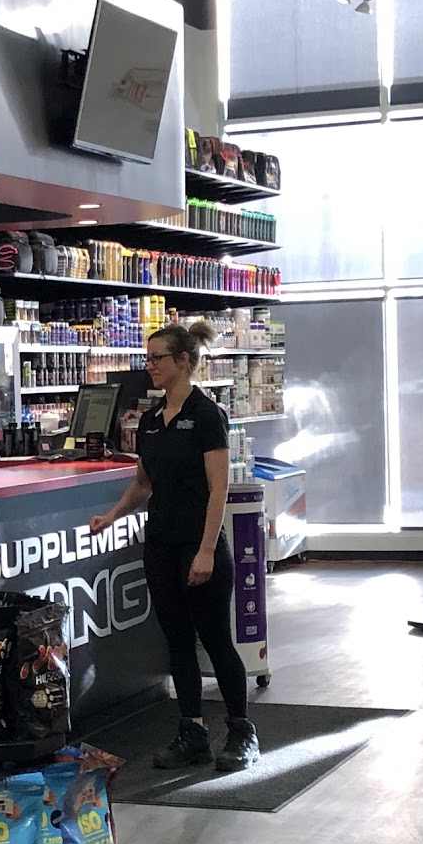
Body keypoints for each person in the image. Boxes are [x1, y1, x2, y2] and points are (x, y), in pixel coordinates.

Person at [89, 321, 258, 773]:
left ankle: (241, 731)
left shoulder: (206, 415)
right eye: (148, 359)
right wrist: (112, 515)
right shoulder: (150, 420)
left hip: (198, 544)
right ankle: (193, 732)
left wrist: (206, 551)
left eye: (158, 358)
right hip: (161, 543)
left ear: (184, 360)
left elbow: (218, 489)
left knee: (215, 638)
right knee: (177, 640)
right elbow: (143, 483)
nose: (151, 366)